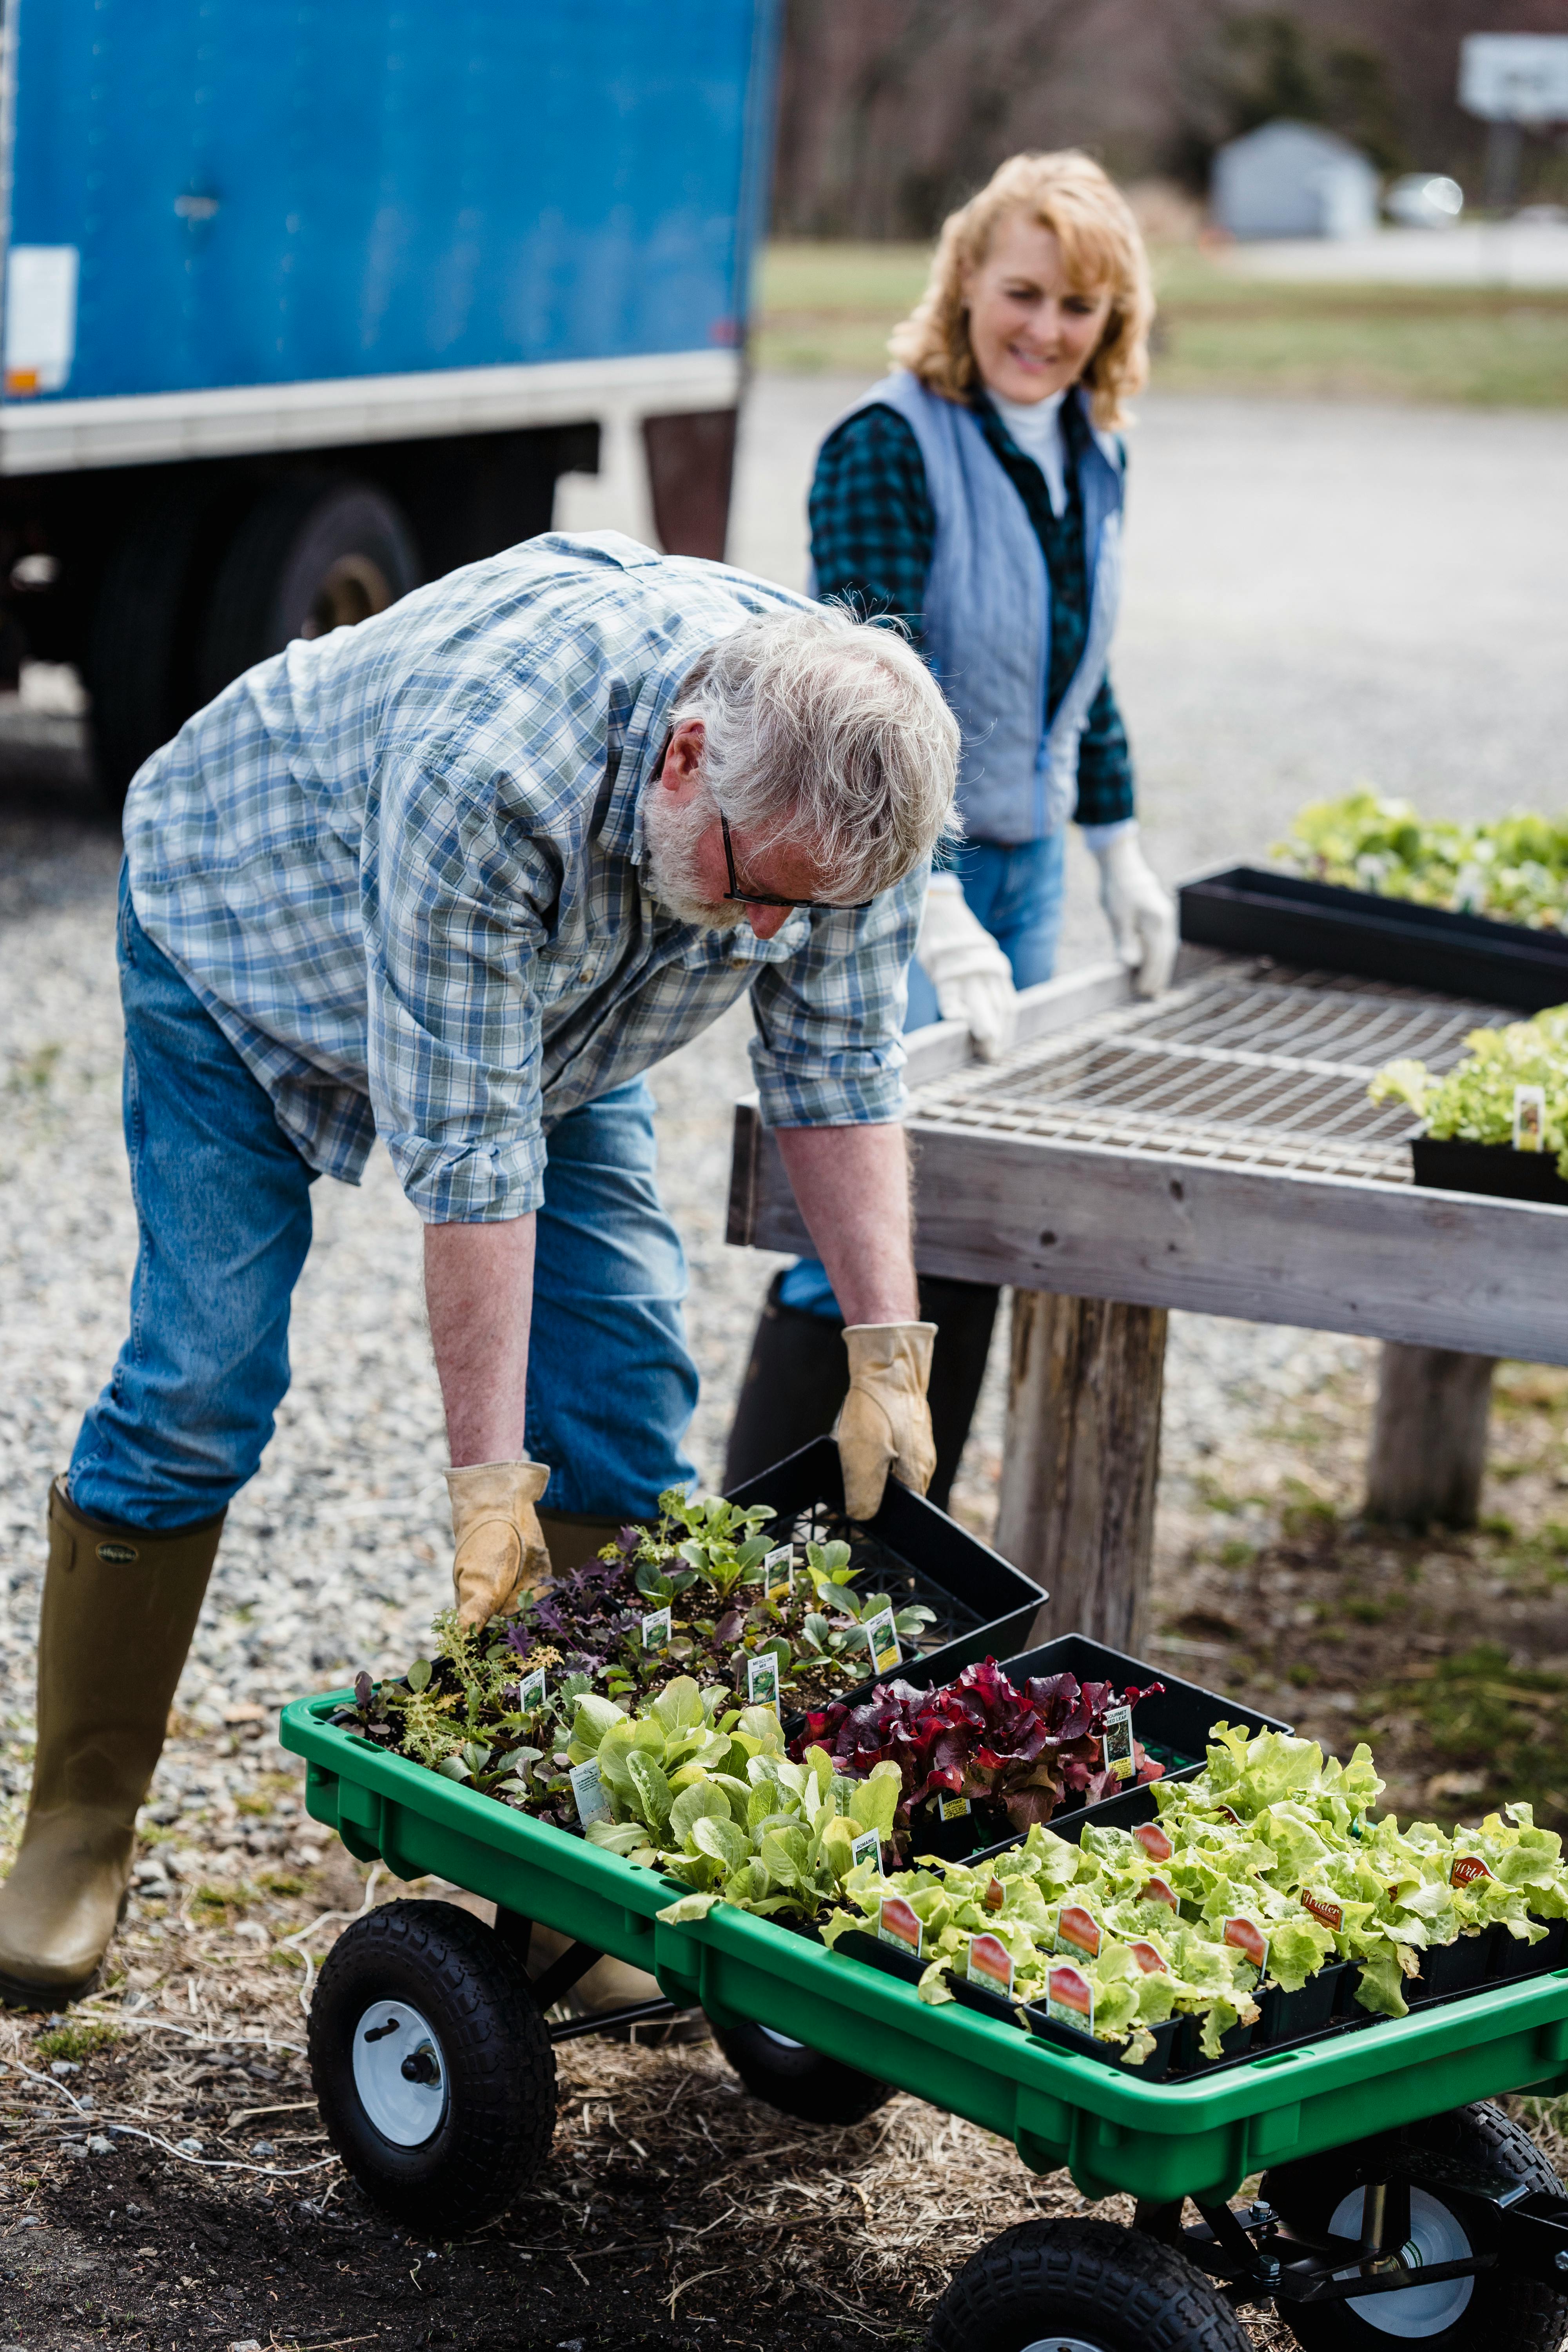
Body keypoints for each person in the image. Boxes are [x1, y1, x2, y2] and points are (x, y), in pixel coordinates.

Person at [0, 530, 962, 2008]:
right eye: (753, 889)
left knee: (627, 1391)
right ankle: (77, 1822)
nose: (774, 933)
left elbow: (836, 1063)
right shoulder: (493, 768)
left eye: (805, 912)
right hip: (248, 949)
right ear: (686, 757)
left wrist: (884, 1347)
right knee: (206, 1372)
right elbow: (472, 1170)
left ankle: (571, 1865)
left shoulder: (845, 787)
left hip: (554, 1010)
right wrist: (482, 1486)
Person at [725, 151, 1177, 1506]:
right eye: (1023, 292)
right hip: (897, 877)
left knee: (976, 1210)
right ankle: (777, 1548)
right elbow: (862, 704)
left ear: (1116, 324)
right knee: (858, 1217)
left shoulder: (1093, 451)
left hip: (1027, 882)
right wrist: (930, 902)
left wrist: (1120, 848)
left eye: (1081, 307)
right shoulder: (887, 446)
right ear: (966, 283)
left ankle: (903, 1539)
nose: (1046, 330)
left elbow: (1074, 674)